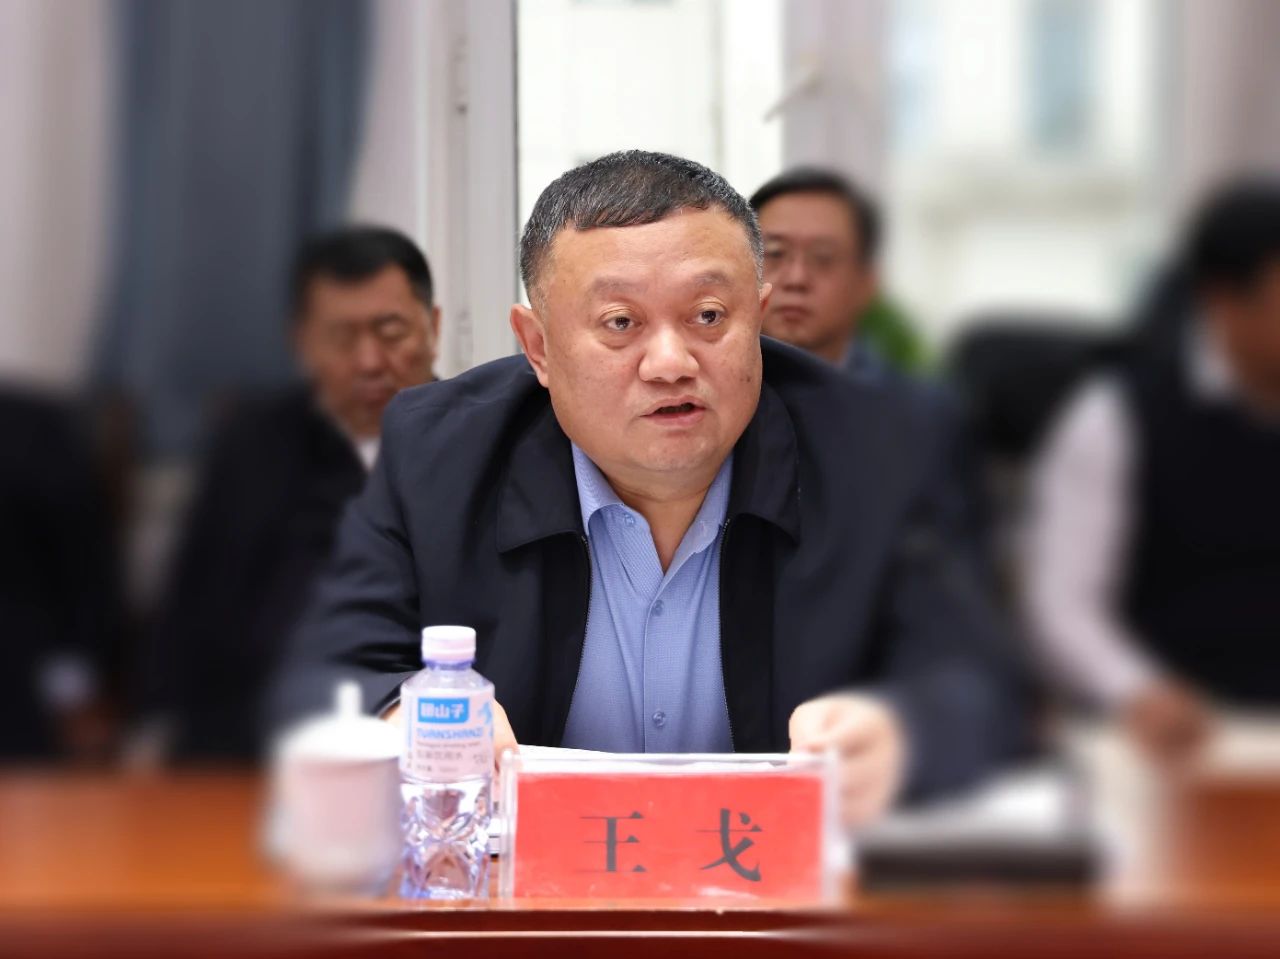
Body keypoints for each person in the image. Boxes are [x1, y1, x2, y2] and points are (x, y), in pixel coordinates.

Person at [274, 151, 1024, 826]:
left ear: (760, 322)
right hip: (531, 902)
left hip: (771, 899)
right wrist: (400, 713)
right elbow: (323, 669)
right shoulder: (440, 454)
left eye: (708, 316)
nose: (670, 362)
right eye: (620, 322)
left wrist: (903, 734)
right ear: (538, 347)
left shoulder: (879, 448)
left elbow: (981, 686)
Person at [143, 226, 440, 761]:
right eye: (342, 338)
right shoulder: (254, 444)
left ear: (433, 328)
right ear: (303, 343)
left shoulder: (477, 440)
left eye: (391, 331)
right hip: (253, 746)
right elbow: (192, 608)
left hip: (426, 742)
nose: (369, 361)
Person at [1023, 181, 1280, 763]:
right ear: (1223, 302)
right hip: (1172, 734)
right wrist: (1138, 689)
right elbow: (1061, 606)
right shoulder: (1116, 417)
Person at [749, 167, 926, 375]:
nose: (796, 279)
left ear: (867, 282)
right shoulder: (717, 387)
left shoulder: (899, 395)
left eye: (823, 257)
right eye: (775, 253)